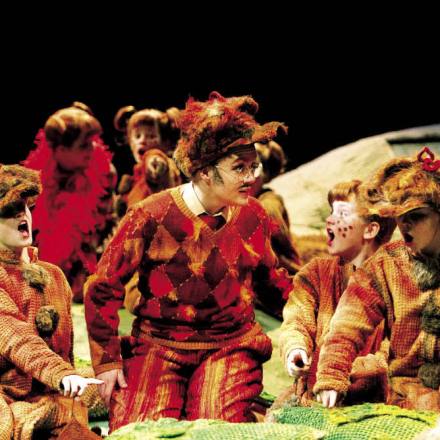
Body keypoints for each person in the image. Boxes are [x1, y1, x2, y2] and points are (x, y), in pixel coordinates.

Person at [84, 91, 291, 431]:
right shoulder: (150, 215)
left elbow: (272, 282)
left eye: (253, 166)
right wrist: (107, 361)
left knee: (216, 431)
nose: (251, 177)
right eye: (239, 168)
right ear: (206, 172)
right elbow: (102, 286)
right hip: (158, 345)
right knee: (140, 432)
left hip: (229, 345)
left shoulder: (253, 215)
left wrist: (313, 314)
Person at [314, 147, 440, 412]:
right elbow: (348, 324)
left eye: (416, 216)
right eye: (399, 217)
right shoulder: (387, 264)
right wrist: (331, 375)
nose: (405, 225)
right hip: (406, 398)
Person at [271, 179, 395, 412]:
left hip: (376, 403)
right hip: (311, 398)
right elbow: (297, 319)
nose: (330, 220)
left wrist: (338, 369)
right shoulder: (317, 272)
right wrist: (296, 349)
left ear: (370, 229)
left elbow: (393, 356)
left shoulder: (395, 282)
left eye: (342, 214)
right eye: (331, 212)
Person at [0, 164, 102, 439]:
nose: (22, 214)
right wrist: (62, 375)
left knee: (120, 376)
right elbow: (17, 339)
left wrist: (72, 377)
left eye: (25, 206)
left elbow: (66, 355)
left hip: (57, 391)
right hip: (10, 399)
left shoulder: (53, 275)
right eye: (9, 210)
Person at [23, 102, 117, 303]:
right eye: (83, 145)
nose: (92, 148)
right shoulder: (33, 180)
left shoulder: (104, 172)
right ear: (60, 150)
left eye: (92, 142)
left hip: (92, 256)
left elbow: (100, 233)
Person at [251, 141, 301, 319]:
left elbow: (279, 259)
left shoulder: (267, 206)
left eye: (252, 168)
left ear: (263, 173)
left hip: (277, 299)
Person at [114, 105, 182, 219]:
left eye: (151, 136)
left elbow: (155, 159)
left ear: (166, 142)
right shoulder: (136, 176)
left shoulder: (161, 162)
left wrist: (155, 162)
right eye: (137, 136)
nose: (142, 140)